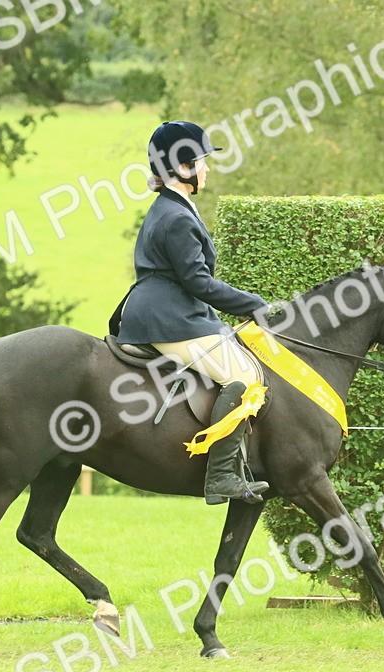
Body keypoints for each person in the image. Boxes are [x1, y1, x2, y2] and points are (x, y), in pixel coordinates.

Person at [114, 121, 271, 505]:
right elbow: (199, 283)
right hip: (168, 319)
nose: (208, 168)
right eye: (202, 161)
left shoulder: (170, 207)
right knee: (246, 376)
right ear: (183, 169)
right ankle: (220, 477)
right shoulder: (177, 218)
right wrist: (253, 303)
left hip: (170, 311)